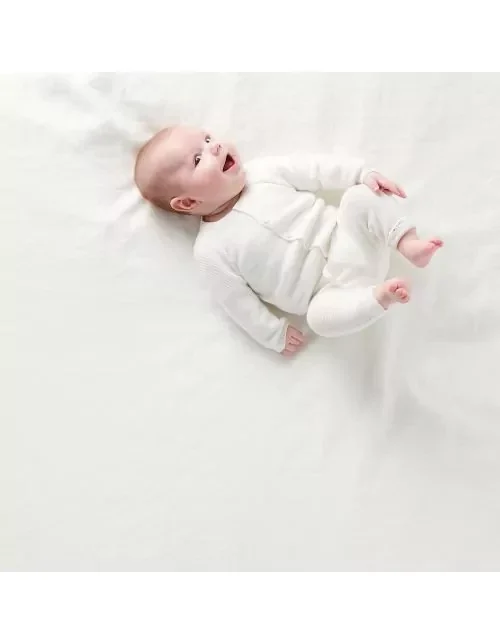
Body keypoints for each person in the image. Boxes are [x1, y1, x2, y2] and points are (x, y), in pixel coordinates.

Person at [134, 126, 443, 356]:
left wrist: (360, 173)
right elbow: (236, 302)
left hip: (351, 240)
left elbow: (315, 169)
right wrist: (273, 334)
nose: (214, 147)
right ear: (188, 202)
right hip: (328, 292)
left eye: (207, 138)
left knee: (359, 198)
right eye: (198, 158)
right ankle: (377, 298)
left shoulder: (262, 172)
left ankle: (407, 242)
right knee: (319, 319)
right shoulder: (210, 251)